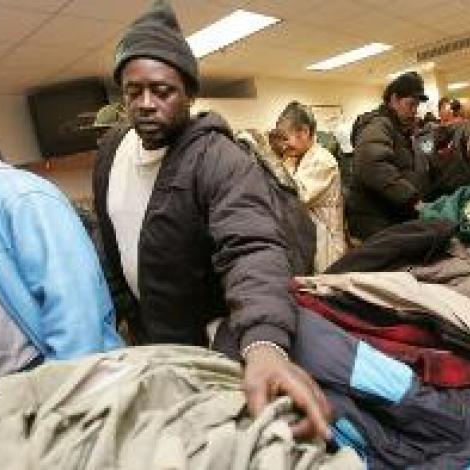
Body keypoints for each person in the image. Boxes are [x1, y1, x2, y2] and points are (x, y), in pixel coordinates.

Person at [93, 0, 331, 440]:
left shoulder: (218, 159)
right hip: (152, 341)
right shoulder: (110, 152)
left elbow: (251, 247)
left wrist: (264, 343)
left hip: (212, 342)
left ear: (189, 93)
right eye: (133, 91)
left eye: (162, 91)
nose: (146, 104)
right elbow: (111, 246)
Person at [0, 107, 122, 405]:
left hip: (53, 385)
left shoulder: (18, 194)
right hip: (1, 395)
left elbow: (74, 305)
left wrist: (63, 401)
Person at [346, 71, 431, 240]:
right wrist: (411, 199)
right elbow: (372, 165)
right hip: (376, 221)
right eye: (410, 105)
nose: (415, 111)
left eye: (416, 106)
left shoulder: (398, 128)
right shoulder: (379, 124)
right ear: (394, 100)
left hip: (389, 218)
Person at [273, 102, 345, 272]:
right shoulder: (293, 157)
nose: (284, 145)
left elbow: (295, 195)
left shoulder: (323, 161)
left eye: (285, 138)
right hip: (303, 240)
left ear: (304, 132)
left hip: (324, 243)